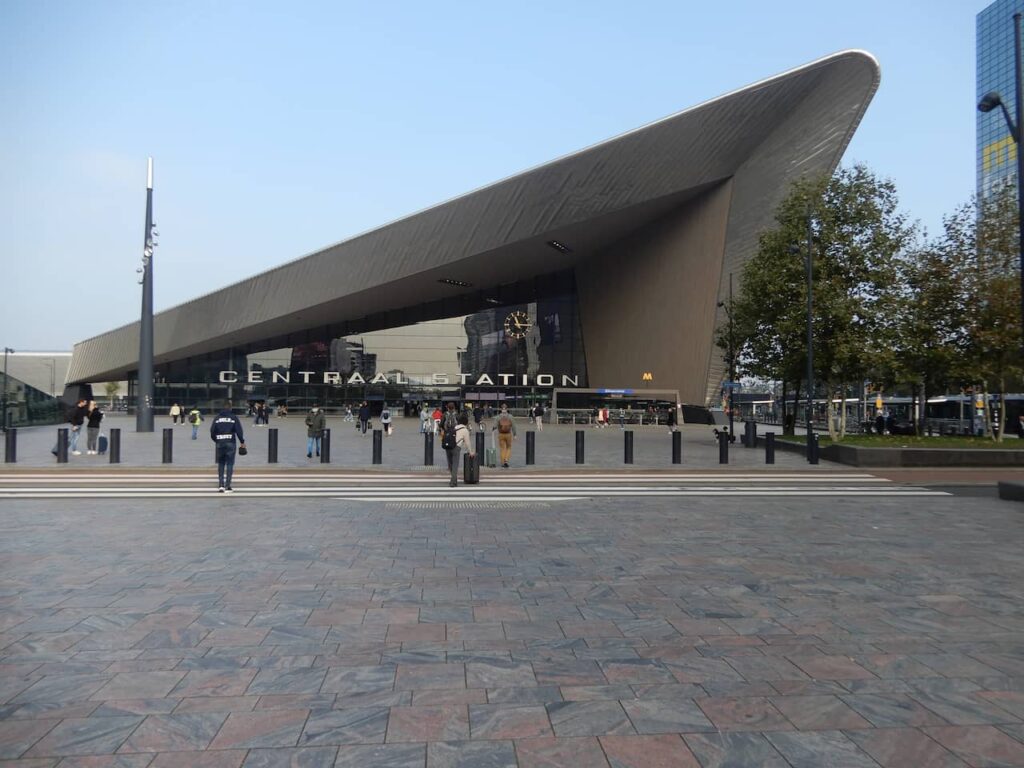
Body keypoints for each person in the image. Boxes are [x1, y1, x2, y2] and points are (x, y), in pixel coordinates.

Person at [210, 400, 245, 492]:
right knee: (230, 464)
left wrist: (217, 440)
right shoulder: (233, 417)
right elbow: (239, 431)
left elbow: (212, 431)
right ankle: (227, 486)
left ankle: (221, 485)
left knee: (221, 463)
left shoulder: (217, 418)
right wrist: (242, 441)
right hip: (230, 442)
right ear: (230, 408)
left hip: (220, 443)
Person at [449, 412, 476, 487]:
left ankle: (453, 478)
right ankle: (453, 482)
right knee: (455, 465)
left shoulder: (455, 427)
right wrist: (470, 452)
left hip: (448, 447)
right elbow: (467, 443)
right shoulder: (465, 430)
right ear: (466, 423)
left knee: (451, 464)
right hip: (456, 447)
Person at [493, 404, 516, 468]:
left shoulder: (498, 417)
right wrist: (515, 434)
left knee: (502, 448)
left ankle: (503, 462)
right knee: (509, 447)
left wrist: (493, 429)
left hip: (501, 434)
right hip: (508, 434)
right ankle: (506, 460)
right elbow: (514, 426)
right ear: (506, 409)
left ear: (501, 409)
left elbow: (494, 426)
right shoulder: (510, 416)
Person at [440, 402, 459, 471]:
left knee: (448, 450)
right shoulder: (457, 414)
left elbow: (441, 424)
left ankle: (449, 466)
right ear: (454, 407)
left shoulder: (445, 414)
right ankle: (454, 465)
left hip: (447, 434)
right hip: (455, 434)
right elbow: (460, 423)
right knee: (455, 449)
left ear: (447, 408)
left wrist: (443, 429)